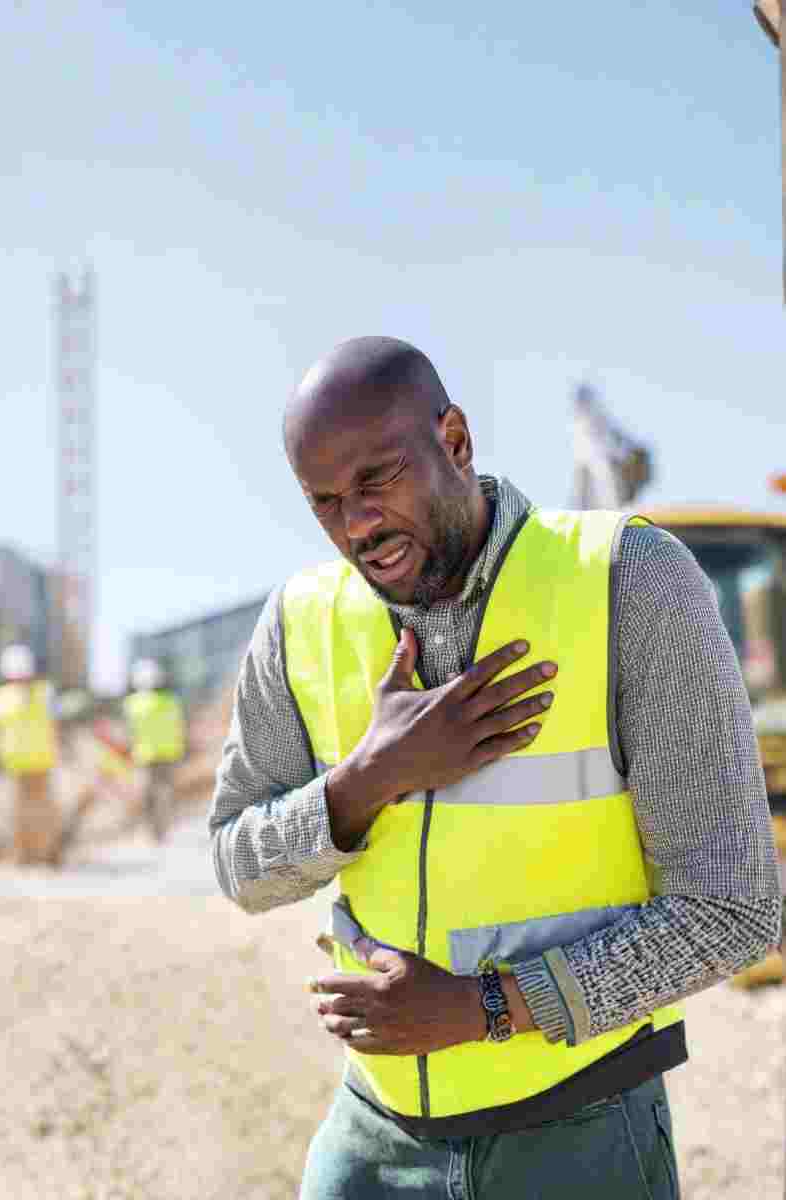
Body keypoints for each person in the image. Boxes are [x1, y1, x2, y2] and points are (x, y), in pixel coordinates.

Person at [209, 337, 782, 1199]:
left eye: (377, 480)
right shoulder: (299, 622)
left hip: (580, 1134)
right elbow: (237, 868)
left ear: (456, 439)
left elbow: (733, 909)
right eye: (326, 503)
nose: (356, 524)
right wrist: (368, 780)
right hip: (373, 1140)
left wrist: (485, 1007)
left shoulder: (631, 582)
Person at [0, 643, 63, 866]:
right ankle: (47, 854)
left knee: (18, 811)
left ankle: (24, 856)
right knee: (42, 809)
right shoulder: (46, 692)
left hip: (14, 762)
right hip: (42, 759)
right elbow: (56, 726)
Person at [123, 659, 186, 842]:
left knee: (147, 795)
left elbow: (129, 731)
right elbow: (180, 727)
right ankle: (163, 828)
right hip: (170, 754)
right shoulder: (171, 701)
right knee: (165, 793)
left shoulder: (132, 704)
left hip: (144, 755)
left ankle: (152, 831)